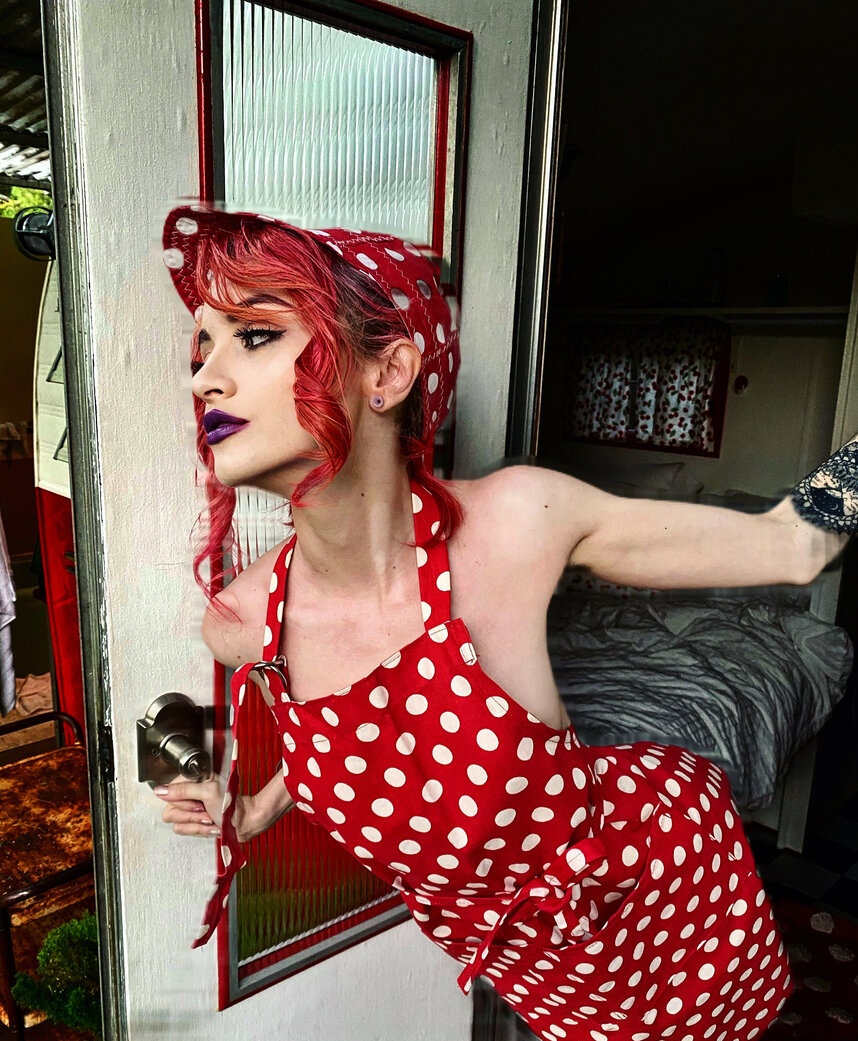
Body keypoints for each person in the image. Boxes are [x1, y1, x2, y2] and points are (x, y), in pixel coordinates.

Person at [155, 203, 853, 1041]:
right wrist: (252, 807)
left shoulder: (515, 527)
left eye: (254, 335)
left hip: (669, 908)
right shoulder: (242, 622)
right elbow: (352, 748)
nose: (204, 379)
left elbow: (796, 546)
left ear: (388, 372)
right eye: (202, 348)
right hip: (537, 976)